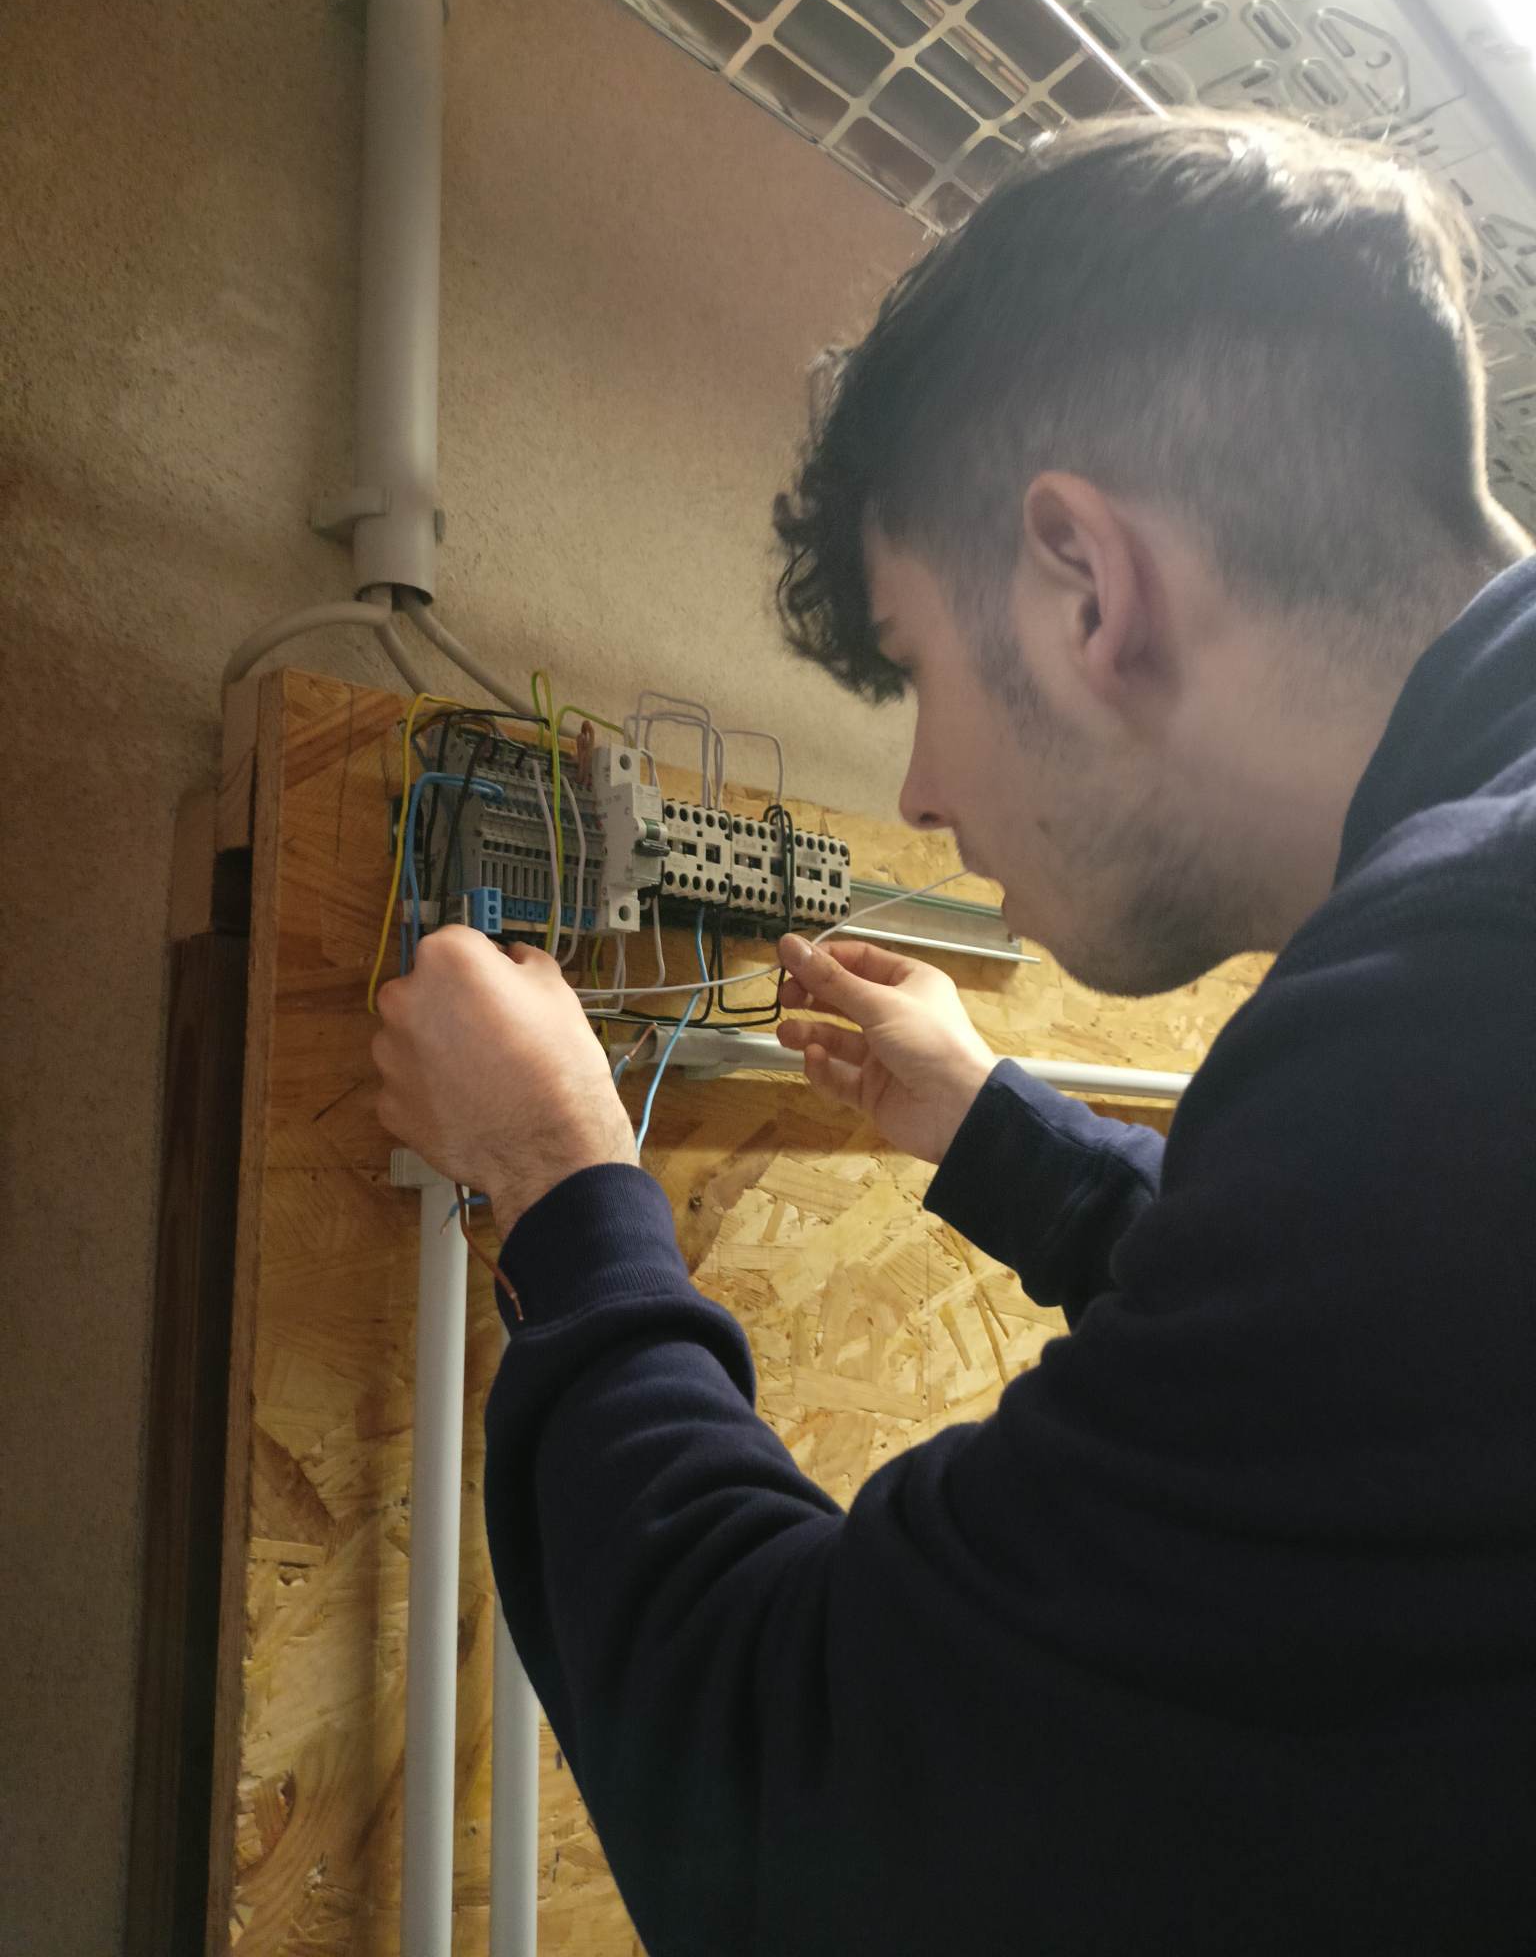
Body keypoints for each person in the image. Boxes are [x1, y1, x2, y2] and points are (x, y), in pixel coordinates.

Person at [372, 113, 1536, 1953]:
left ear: (1086, 583)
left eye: (913, 663)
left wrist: (558, 1179)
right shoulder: (1470, 1009)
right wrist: (1003, 1132)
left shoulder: (1453, 991)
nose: (918, 789)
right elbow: (1377, 1374)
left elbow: (811, 1800)